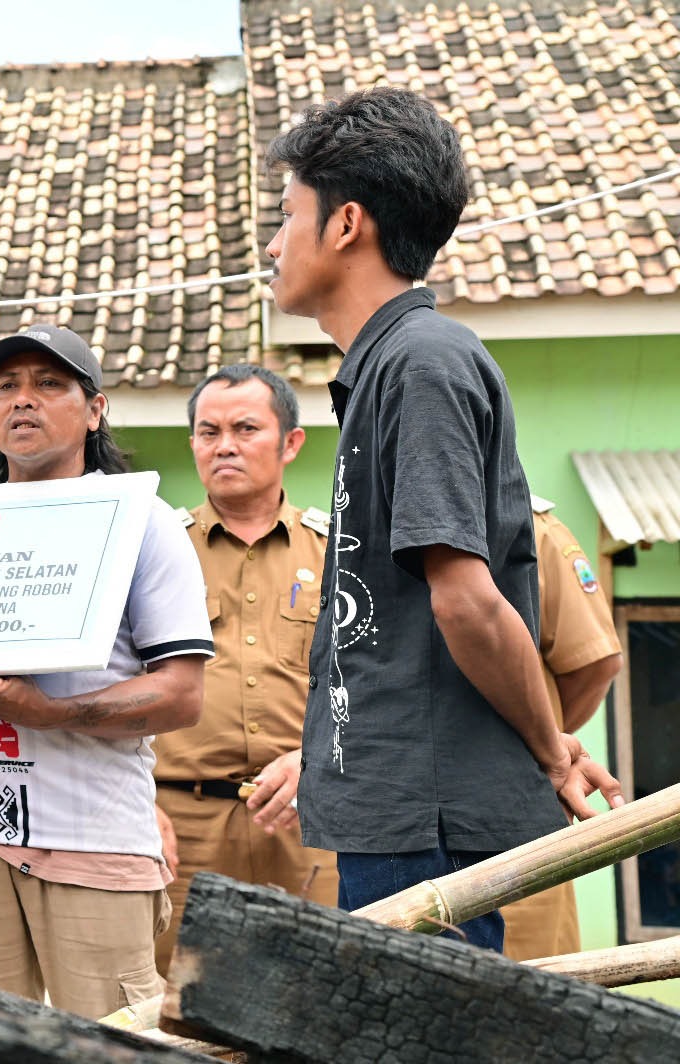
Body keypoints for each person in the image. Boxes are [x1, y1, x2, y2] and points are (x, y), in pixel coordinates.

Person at [264, 87, 623, 952]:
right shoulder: (389, 367)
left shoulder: (423, 364)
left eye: (287, 216)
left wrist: (551, 750)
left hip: (422, 815)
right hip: (396, 806)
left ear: (346, 224)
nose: (273, 245)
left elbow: (465, 601)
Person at [0, 325, 212, 1019]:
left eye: (50, 384)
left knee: (109, 1043)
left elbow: (182, 694)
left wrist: (48, 713)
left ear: (95, 410)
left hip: (93, 839)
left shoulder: (141, 522)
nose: (23, 400)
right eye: (6, 387)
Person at [151, 363, 339, 975]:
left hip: (312, 817)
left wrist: (316, 757)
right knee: (175, 1005)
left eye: (246, 429)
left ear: (291, 442)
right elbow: (109, 683)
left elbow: (381, 682)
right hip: (179, 827)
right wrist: (136, 803)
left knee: (321, 996)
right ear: (193, 445)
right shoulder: (154, 552)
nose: (225, 445)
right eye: (209, 432)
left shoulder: (340, 552)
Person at [500, 496, 623, 961]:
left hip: (516, 805)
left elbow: (593, 664)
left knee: (527, 974)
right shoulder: (359, 526)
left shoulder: (532, 529)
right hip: (400, 816)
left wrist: (546, 743)